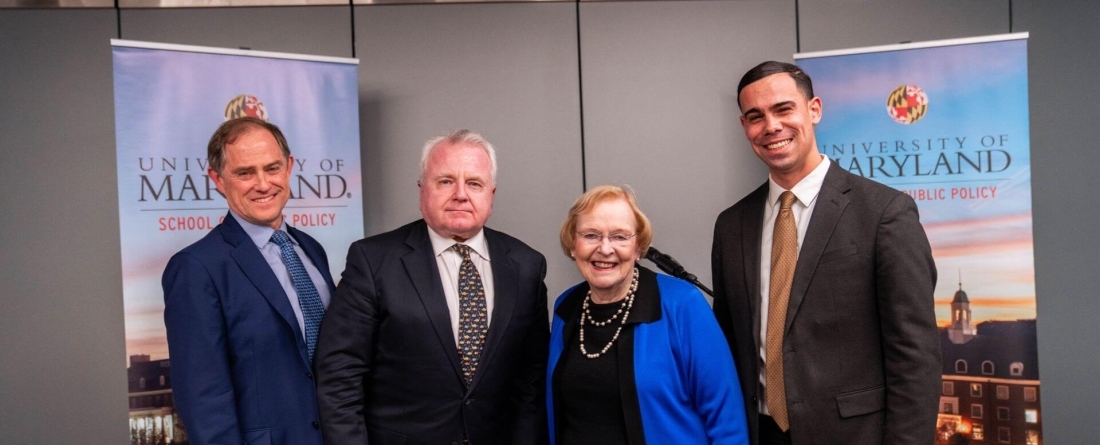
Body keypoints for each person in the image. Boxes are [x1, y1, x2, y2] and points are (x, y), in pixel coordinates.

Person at [711, 61, 941, 445]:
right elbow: (729, 341)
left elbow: (915, 356)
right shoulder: (731, 225)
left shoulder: (884, 213)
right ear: (744, 127)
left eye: (784, 109)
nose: (771, 126)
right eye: (756, 116)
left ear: (814, 109)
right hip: (757, 434)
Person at [314, 130, 549, 445]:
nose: (461, 194)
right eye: (445, 181)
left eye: (474, 183)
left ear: (491, 194)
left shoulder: (526, 266)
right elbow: (339, 377)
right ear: (422, 189)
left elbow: (530, 382)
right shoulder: (373, 261)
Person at [162, 117, 335, 445]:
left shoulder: (312, 249)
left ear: (289, 167)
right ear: (218, 179)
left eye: (272, 168)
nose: (263, 183)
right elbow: (204, 399)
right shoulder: (195, 269)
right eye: (245, 172)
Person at [548, 185, 748, 445]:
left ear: (638, 247)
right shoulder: (566, 306)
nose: (605, 248)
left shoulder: (682, 305)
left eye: (620, 237)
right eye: (591, 235)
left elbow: (726, 418)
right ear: (573, 244)